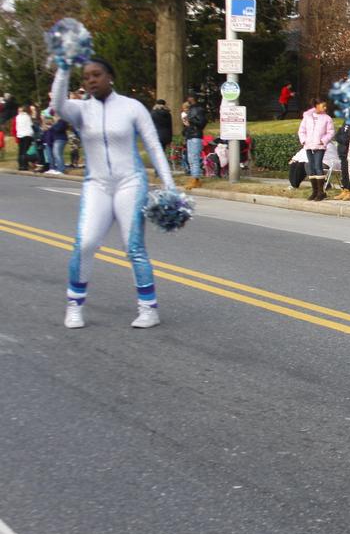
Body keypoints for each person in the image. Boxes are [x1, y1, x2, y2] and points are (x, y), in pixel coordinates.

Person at [51, 56, 176, 329]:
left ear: (110, 77)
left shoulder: (132, 107)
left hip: (130, 182)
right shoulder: (81, 110)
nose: (91, 80)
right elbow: (57, 104)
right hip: (97, 184)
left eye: (96, 75)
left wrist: (169, 183)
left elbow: (154, 145)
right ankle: (74, 305)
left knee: (133, 247)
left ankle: (148, 308)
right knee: (85, 244)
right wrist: (63, 67)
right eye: (86, 77)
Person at [297, 98, 335, 201]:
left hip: (319, 146)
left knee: (318, 166)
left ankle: (321, 192)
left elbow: (331, 132)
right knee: (311, 167)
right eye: (323, 106)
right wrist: (304, 141)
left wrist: (323, 141)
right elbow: (302, 131)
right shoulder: (307, 117)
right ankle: (314, 191)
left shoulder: (327, 118)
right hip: (309, 146)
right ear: (316, 106)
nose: (325, 108)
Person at [183, 96, 207, 189]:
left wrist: (190, 120)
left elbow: (202, 122)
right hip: (191, 135)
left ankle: (195, 178)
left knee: (194, 158)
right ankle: (194, 178)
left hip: (195, 136)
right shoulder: (191, 110)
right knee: (191, 159)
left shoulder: (198, 110)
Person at [332, 119, 350, 200]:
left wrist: (342, 139)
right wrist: (341, 138)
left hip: (349, 151)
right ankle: (345, 189)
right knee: (344, 172)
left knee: (349, 171)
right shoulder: (346, 121)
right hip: (342, 151)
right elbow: (338, 134)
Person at [15, 104, 33, 171]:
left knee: (20, 150)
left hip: (20, 134)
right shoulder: (27, 117)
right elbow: (31, 125)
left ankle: (20, 165)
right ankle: (25, 165)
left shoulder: (17, 117)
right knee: (25, 151)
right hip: (27, 134)